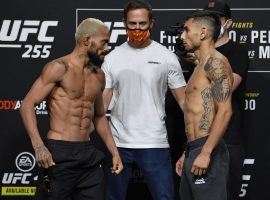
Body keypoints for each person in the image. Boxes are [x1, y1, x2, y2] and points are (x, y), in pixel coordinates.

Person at [19, 18, 123, 200]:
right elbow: (27, 104)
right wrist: (39, 147)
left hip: (88, 153)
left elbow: (99, 116)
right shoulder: (59, 68)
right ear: (86, 40)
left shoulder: (99, 75)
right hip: (59, 153)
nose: (107, 47)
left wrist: (114, 153)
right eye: (104, 42)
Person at [101, 0, 186, 199]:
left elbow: (185, 103)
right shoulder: (112, 58)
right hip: (119, 143)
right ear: (125, 24)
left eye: (142, 24)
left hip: (154, 142)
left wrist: (197, 140)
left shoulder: (166, 57)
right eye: (132, 24)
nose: (137, 28)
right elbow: (103, 104)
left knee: (164, 197)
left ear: (151, 24)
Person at [176, 1, 249, 199]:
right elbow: (198, 113)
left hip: (208, 148)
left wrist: (206, 152)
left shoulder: (216, 62)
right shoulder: (200, 66)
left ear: (202, 33)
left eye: (186, 30)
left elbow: (225, 110)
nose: (182, 36)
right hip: (194, 148)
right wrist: (187, 152)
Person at [204, 1, 249, 199]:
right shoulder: (199, 53)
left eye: (216, 19)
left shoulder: (237, 52)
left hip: (227, 139)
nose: (211, 24)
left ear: (228, 23)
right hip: (199, 137)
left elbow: (224, 90)